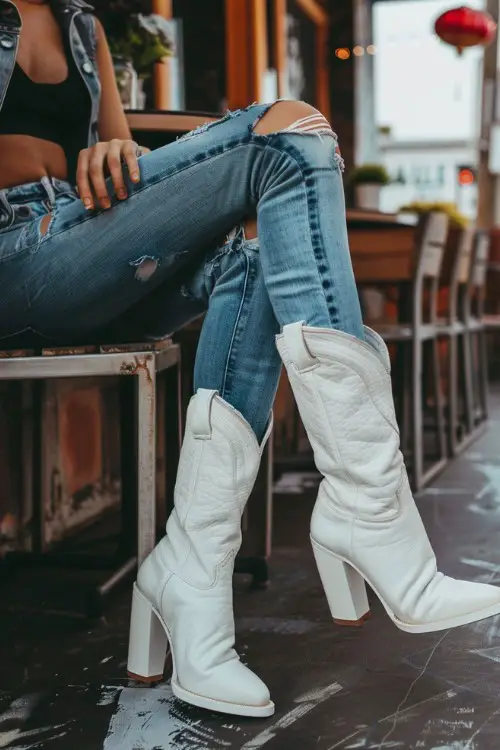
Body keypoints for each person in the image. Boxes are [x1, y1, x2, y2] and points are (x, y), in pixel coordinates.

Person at [1, 0, 499, 722]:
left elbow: (117, 153)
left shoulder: (84, 28)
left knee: (265, 261)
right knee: (289, 133)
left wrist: (113, 154)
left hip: (81, 244)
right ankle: (368, 509)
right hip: (15, 253)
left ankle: (193, 569)